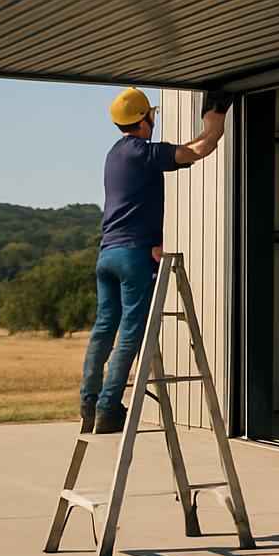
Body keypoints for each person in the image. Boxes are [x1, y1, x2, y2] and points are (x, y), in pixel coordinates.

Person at [80, 87, 230, 434]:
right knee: (131, 334)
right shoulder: (142, 152)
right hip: (133, 256)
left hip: (107, 254)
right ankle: (107, 409)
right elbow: (199, 150)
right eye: (153, 116)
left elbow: (185, 153)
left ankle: (89, 403)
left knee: (104, 329)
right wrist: (216, 120)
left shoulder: (115, 154)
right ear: (145, 118)